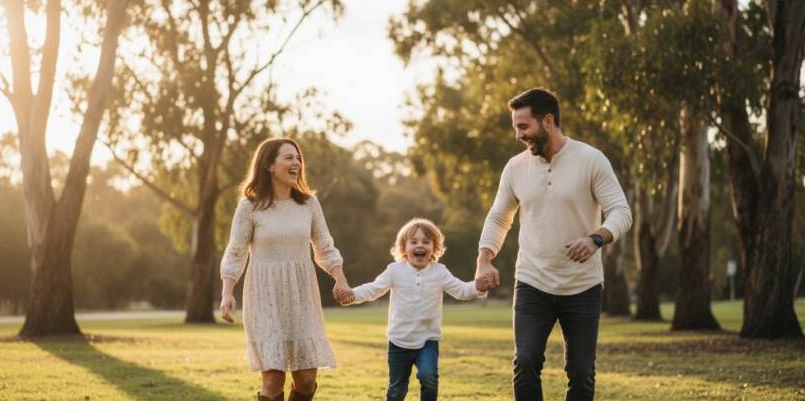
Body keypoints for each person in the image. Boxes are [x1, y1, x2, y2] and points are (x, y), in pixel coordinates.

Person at [475, 88, 633, 401]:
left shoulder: (591, 160)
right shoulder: (515, 168)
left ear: (548, 121)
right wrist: (485, 258)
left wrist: (595, 238)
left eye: (524, 127)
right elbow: (498, 219)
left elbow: (621, 211)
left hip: (583, 286)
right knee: (527, 360)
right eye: (516, 128)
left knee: (581, 371)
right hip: (533, 281)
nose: (519, 135)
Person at [219, 137, 354, 401]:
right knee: (273, 379)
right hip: (264, 296)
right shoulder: (250, 206)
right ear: (269, 165)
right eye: (288, 157)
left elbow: (325, 247)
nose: (296, 163)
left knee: (305, 380)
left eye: (298, 158)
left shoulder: (308, 204)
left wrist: (340, 279)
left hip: (302, 296)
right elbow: (235, 251)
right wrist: (227, 292)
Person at [345, 218, 491, 401]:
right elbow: (373, 289)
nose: (419, 245)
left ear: (434, 248)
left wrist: (478, 287)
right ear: (404, 248)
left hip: (427, 341)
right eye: (413, 242)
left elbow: (461, 290)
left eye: (426, 242)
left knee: (428, 377)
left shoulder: (440, 272)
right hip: (399, 342)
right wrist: (352, 294)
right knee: (397, 389)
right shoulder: (394, 271)